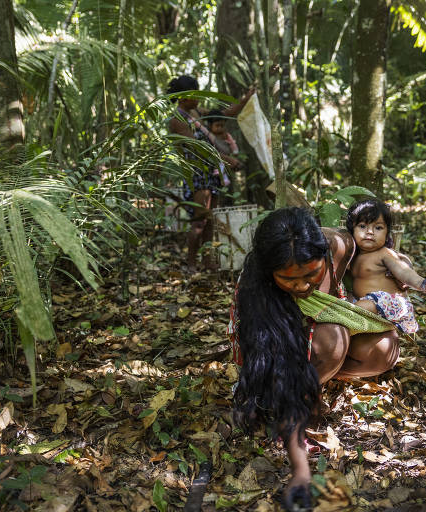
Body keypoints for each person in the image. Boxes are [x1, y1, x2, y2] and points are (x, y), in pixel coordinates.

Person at [229, 207, 400, 510]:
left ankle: (318, 376)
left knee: (384, 347)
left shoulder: (341, 245)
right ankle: (289, 398)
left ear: (325, 254)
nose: (302, 286)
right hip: (278, 346)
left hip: (320, 331)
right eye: (288, 279)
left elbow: (374, 253)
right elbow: (286, 372)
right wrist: (301, 470)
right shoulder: (260, 292)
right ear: (271, 272)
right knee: (333, 339)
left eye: (311, 274)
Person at [166, 75, 253, 270]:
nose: (198, 99)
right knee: (199, 220)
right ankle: (191, 263)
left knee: (208, 221)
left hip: (211, 172)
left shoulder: (196, 112)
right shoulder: (178, 120)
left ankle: (207, 262)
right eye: (194, 95)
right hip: (196, 172)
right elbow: (198, 148)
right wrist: (228, 160)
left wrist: (246, 99)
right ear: (183, 97)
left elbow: (223, 113)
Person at [346, 199, 426, 334]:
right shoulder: (352, 256)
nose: (370, 232)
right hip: (367, 306)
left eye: (378, 228)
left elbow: (404, 272)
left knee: (352, 311)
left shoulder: (384, 253)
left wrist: (421, 284)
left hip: (388, 303)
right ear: (352, 229)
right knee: (346, 303)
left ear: (387, 233)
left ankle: (344, 327)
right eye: (362, 226)